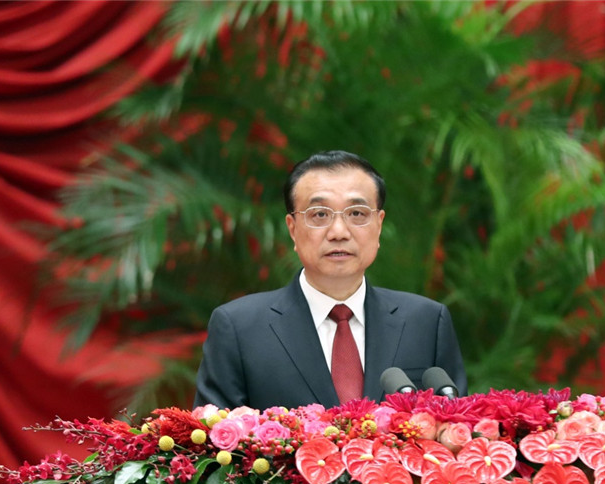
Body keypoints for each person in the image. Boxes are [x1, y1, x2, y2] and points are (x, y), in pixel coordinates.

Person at [194, 150, 466, 410]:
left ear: (379, 225)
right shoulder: (239, 328)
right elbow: (214, 437)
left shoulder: (427, 322)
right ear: (292, 229)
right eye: (320, 215)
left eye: (357, 214)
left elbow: (459, 428)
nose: (339, 232)